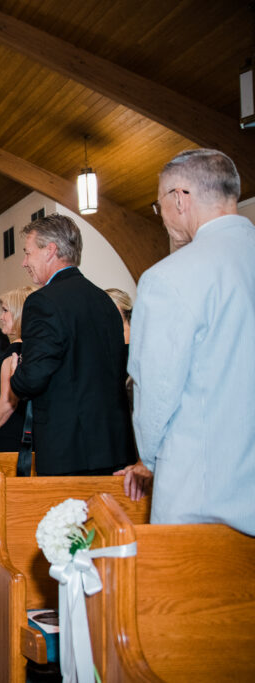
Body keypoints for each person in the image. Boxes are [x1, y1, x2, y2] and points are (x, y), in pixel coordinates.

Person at [124, 149, 255, 534]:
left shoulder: (170, 277)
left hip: (204, 489)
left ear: (180, 198)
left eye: (159, 203)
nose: (161, 214)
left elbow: (157, 390)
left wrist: (147, 458)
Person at [9, 214, 133, 476]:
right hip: (113, 444)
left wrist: (16, 373)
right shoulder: (104, 301)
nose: (24, 262)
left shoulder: (43, 302)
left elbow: (32, 379)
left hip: (68, 447)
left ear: (50, 250)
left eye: (28, 253)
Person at [0, 286, 34, 451]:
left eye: (5, 311)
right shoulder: (31, 347)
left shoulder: (16, 351)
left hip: (11, 432)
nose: (1, 317)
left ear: (20, 313)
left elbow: (8, 401)